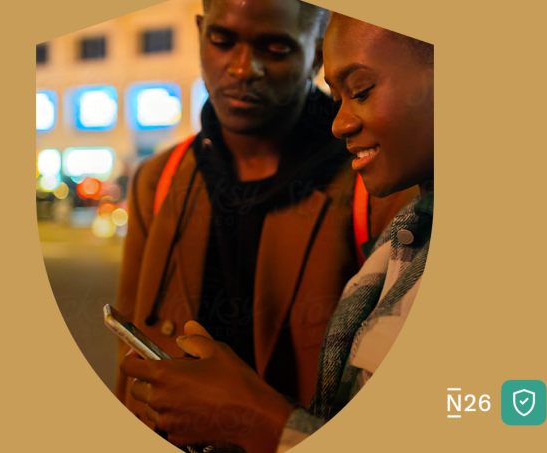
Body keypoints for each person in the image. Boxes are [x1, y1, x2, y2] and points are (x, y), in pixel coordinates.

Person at [121, 12, 434, 453]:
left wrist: (253, 418)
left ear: (314, 52)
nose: (243, 68)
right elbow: (129, 362)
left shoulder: (382, 182)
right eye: (222, 39)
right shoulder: (160, 180)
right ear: (199, 33)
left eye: (276, 47)